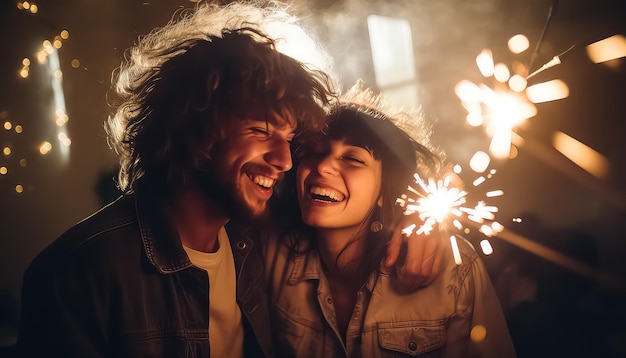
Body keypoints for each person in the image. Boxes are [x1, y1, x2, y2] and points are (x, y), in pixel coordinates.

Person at [16, 2, 443, 357]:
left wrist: (428, 220)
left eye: (290, 139)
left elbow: (374, 166)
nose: (283, 160)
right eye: (260, 131)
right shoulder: (78, 272)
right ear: (194, 126)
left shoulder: (258, 239)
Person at [264, 82, 517, 357]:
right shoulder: (272, 252)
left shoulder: (452, 273)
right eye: (315, 152)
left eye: (353, 159)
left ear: (387, 190)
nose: (323, 166)